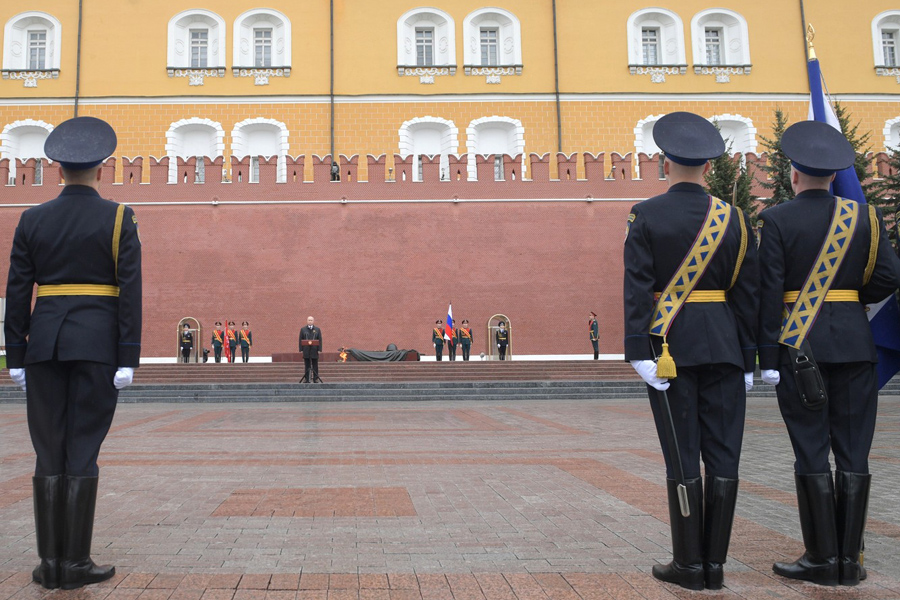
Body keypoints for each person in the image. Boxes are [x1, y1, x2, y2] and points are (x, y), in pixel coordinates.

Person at [757, 120, 900, 587]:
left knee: (811, 450)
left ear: (794, 175)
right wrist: (848, 298)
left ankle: (821, 557)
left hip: (802, 351)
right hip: (857, 346)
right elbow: (887, 277)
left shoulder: (776, 219)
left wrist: (766, 354)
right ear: (836, 177)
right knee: (855, 451)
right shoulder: (865, 217)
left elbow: (768, 290)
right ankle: (850, 561)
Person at [4, 116, 141, 590]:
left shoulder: (32, 219)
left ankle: (51, 565)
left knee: (48, 453)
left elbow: (18, 291)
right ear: (101, 169)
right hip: (98, 347)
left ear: (57, 170)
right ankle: (76, 564)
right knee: (82, 450)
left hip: (43, 347)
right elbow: (130, 291)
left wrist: (15, 356)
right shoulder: (119, 218)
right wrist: (128, 356)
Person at [623, 112, 759, 591]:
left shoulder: (646, 214)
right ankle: (715, 566)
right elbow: (748, 293)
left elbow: (638, 286)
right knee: (724, 456)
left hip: (669, 348)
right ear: (708, 167)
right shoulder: (735, 218)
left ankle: (689, 565)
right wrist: (750, 357)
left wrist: (639, 348)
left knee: (682, 454)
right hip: (724, 346)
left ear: (664, 162)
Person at [299, 316, 323, 383]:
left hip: (314, 350)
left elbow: (320, 339)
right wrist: (301, 349)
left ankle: (315, 378)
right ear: (307, 321)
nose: (310, 321)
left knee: (315, 365)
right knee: (307, 365)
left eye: (311, 320)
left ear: (313, 321)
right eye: (309, 320)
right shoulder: (303, 329)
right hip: (306, 350)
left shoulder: (317, 329)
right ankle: (307, 379)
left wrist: (319, 349)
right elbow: (300, 339)